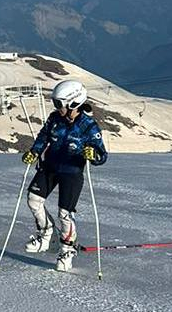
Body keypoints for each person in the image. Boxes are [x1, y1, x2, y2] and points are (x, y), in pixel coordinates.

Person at [21, 80, 108, 272]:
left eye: (59, 104)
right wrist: (34, 152)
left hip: (71, 173)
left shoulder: (88, 126)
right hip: (49, 167)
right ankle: (47, 235)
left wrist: (93, 155)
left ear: (73, 103)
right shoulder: (54, 119)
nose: (56, 108)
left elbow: (102, 154)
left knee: (65, 213)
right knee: (33, 200)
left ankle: (67, 249)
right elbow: (43, 137)